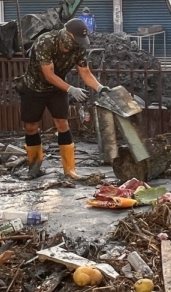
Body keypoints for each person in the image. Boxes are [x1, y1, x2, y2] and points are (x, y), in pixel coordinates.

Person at [17, 18, 105, 179]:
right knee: (31, 126)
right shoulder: (46, 42)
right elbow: (49, 75)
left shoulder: (78, 48)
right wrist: (71, 89)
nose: (76, 44)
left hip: (58, 89)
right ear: (67, 34)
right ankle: (34, 166)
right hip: (34, 87)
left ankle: (69, 170)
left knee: (62, 123)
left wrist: (100, 88)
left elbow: (85, 72)